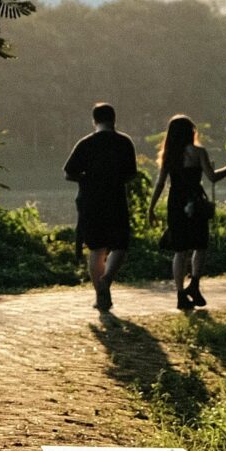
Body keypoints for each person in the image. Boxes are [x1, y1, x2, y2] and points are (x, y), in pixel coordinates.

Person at [149, 114, 226, 311]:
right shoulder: (199, 152)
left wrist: (151, 208)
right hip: (195, 203)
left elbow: (160, 183)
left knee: (179, 250)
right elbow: (213, 177)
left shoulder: (169, 155)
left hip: (176, 204)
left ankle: (180, 294)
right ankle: (195, 285)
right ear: (190, 132)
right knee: (200, 245)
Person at [62, 102, 138, 313]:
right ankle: (107, 279)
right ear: (114, 119)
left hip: (90, 201)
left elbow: (68, 173)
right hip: (115, 199)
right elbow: (132, 173)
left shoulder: (85, 143)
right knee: (119, 244)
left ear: (94, 120)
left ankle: (100, 297)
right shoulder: (124, 142)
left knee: (96, 248)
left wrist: (86, 179)